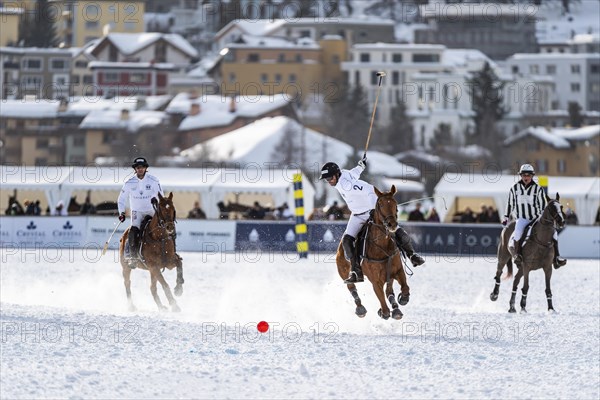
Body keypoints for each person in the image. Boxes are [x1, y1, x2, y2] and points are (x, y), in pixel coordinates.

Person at [320, 157, 425, 284]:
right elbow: (353, 174)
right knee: (347, 240)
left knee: (394, 228)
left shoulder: (346, 185)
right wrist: (361, 166)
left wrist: (372, 208)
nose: (329, 181)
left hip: (371, 211)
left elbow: (369, 189)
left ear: (337, 174)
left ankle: (412, 255)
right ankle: (356, 271)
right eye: (326, 179)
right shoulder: (344, 175)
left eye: (330, 178)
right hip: (357, 214)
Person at [503, 163, 566, 269]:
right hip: (522, 218)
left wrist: (543, 218)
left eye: (528, 175)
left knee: (554, 232)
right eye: (524, 175)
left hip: (535, 218)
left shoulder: (538, 189)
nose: (526, 177)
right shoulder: (514, 189)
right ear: (521, 176)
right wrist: (505, 217)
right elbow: (510, 203)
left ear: (532, 176)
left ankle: (557, 258)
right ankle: (518, 256)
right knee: (518, 233)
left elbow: (542, 205)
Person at [117, 157, 165, 268]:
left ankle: (168, 253)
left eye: (142, 167)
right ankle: (133, 257)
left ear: (146, 168)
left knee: (163, 228)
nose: (140, 169)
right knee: (134, 230)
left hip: (151, 210)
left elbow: (160, 196)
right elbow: (121, 199)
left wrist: (156, 199)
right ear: (135, 169)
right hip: (137, 212)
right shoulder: (129, 182)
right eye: (138, 167)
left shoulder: (153, 180)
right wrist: (121, 213)